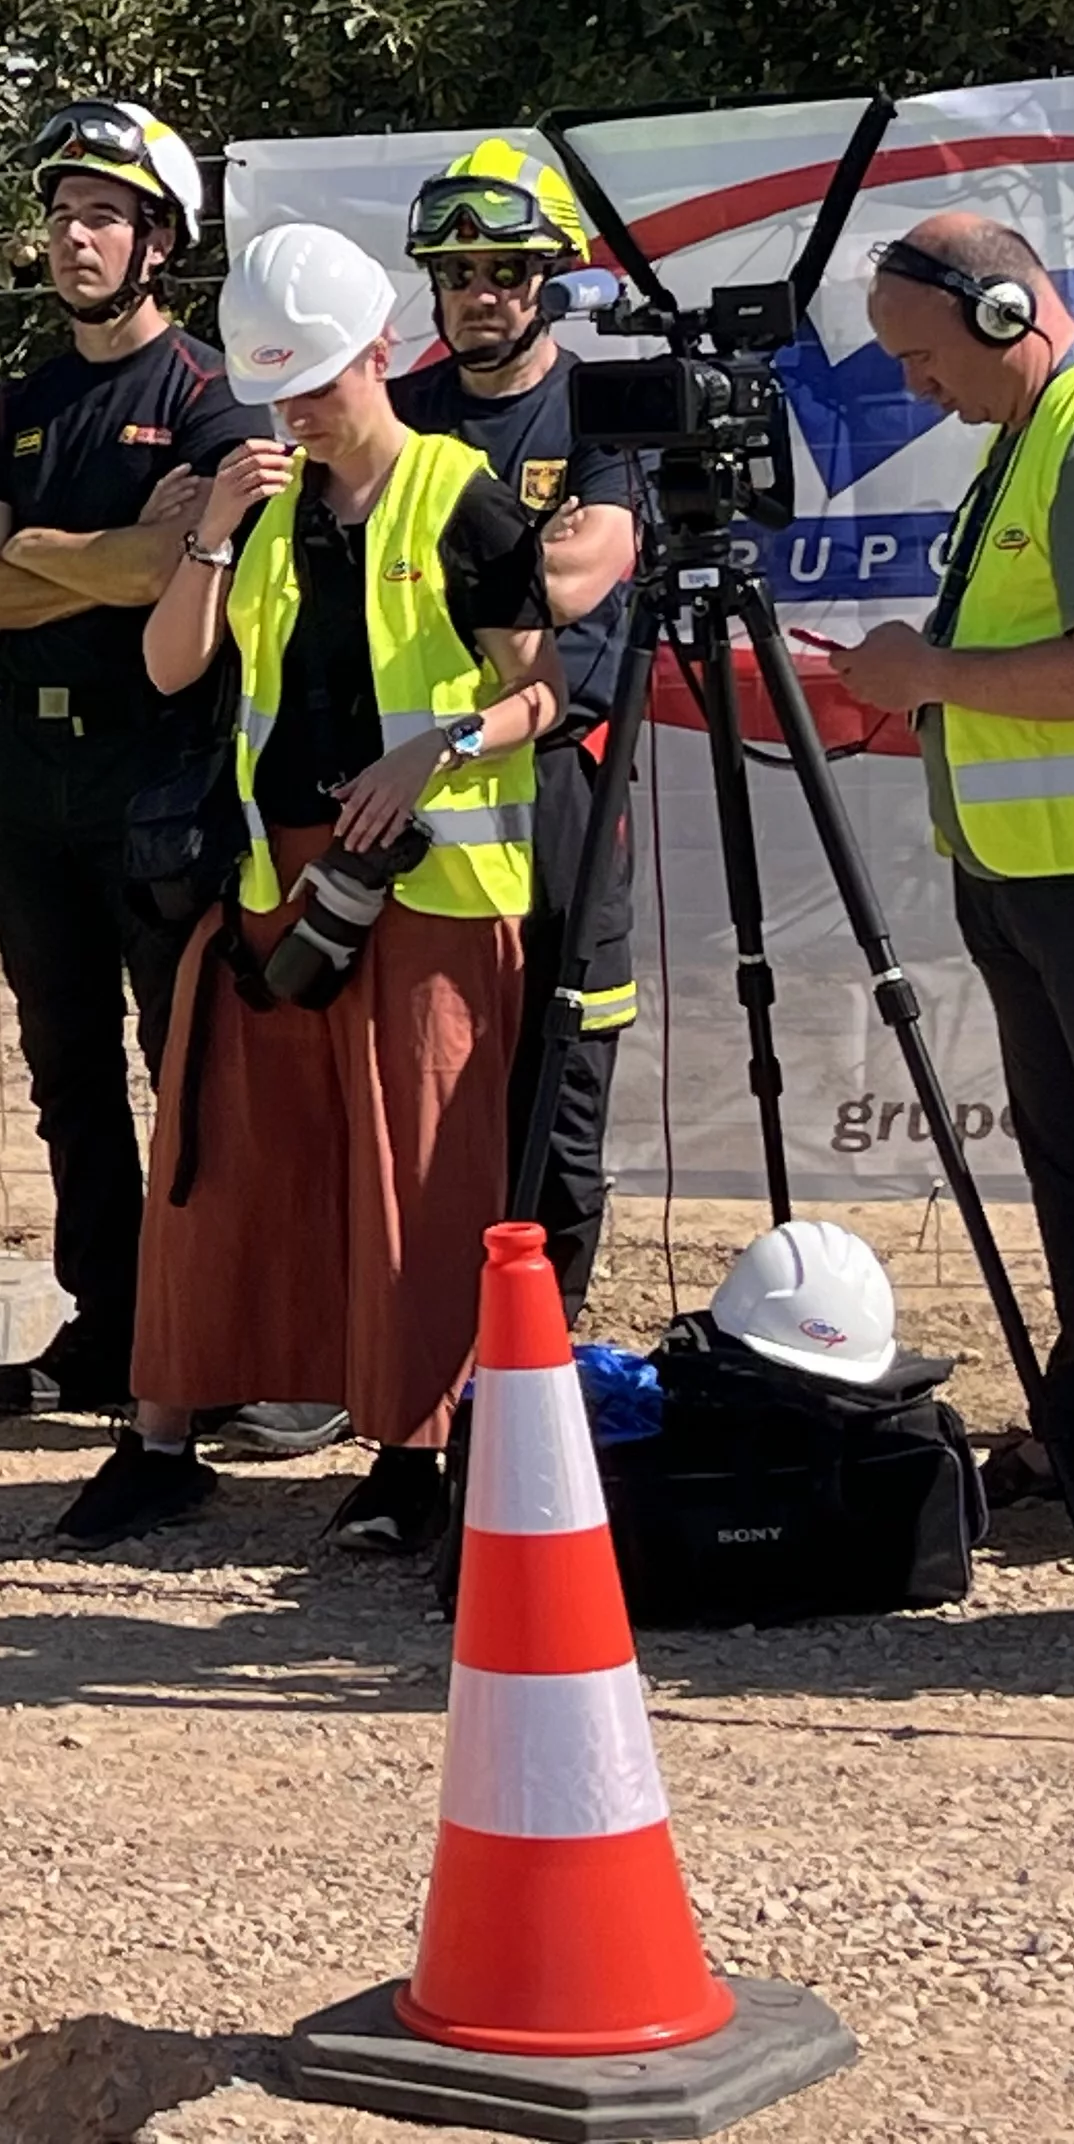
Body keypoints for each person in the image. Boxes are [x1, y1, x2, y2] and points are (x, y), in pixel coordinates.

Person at [64, 224, 561, 1556]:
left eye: (319, 385)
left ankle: (417, 1457)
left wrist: (440, 745)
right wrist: (214, 531)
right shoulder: (266, 503)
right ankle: (166, 1437)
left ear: (381, 357)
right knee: (215, 1162)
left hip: (435, 888)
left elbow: (548, 693)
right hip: (272, 874)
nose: (297, 413)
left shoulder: (465, 496)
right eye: (279, 390)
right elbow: (174, 666)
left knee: (414, 1175)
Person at [834, 213, 1074, 1570]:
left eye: (923, 355)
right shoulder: (1028, 434)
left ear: (1008, 316)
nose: (914, 386)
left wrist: (927, 677)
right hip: (1031, 873)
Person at [0, 100, 273, 1423]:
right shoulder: (12, 406)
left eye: (107, 217)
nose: (77, 238)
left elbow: (172, 574)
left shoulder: (210, 397)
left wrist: (41, 554)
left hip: (159, 779)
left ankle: (229, 1337)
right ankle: (113, 1322)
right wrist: (101, 564)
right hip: (26, 783)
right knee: (66, 1070)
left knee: (185, 1068)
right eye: (65, 215)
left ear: (160, 243)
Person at [387, 141, 647, 1310]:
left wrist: (427, 553)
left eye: (503, 269)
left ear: (548, 278)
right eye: (456, 273)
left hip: (556, 786)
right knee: (427, 1082)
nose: (479, 293)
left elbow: (581, 574)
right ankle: (418, 1341)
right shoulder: (400, 410)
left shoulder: (599, 411)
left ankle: (550, 1341)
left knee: (563, 1078)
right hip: (415, 792)